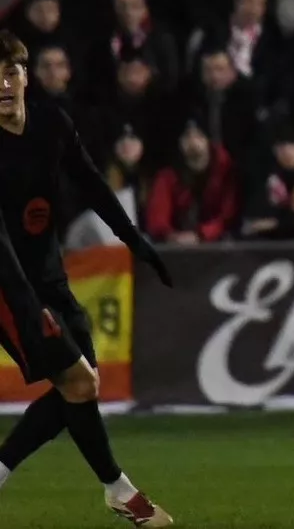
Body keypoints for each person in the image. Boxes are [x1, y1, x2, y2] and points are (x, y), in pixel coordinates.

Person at [0, 31, 176, 526]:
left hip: (49, 276)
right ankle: (121, 491)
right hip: (7, 287)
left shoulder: (51, 122)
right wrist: (30, 311)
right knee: (79, 382)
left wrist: (133, 238)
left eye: (10, 71)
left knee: (79, 388)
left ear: (25, 76)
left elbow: (92, 181)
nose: (3, 83)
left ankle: (114, 491)